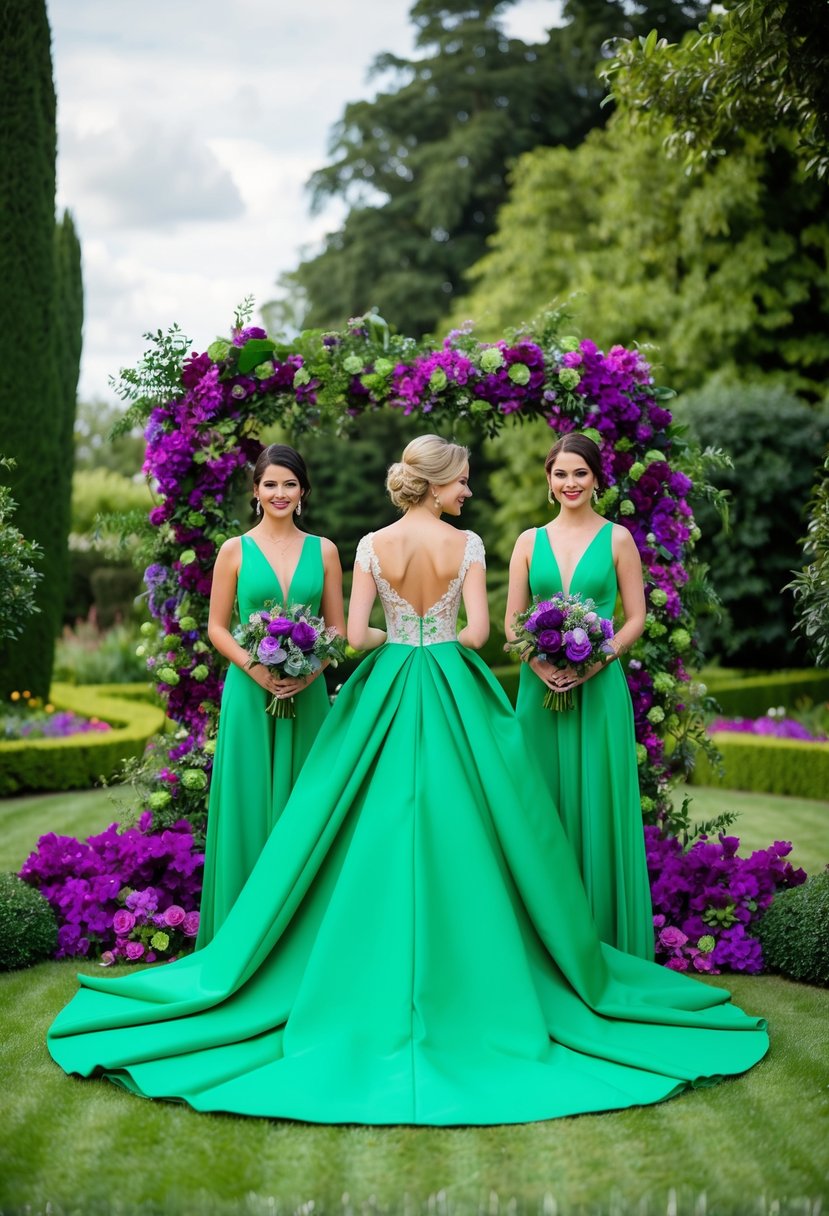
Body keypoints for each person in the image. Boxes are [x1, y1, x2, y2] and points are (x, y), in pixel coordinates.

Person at [47, 435, 766, 1126]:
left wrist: (400, 635)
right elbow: (478, 635)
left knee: (360, 824)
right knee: (480, 824)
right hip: (451, 682)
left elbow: (355, 638)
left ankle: (357, 967)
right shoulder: (472, 544)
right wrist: (436, 634)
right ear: (438, 480)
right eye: (461, 479)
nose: (468, 489)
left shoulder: (368, 546)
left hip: (388, 683)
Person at [506, 432, 653, 959]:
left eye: (580, 474)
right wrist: (539, 663)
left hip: (599, 690)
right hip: (538, 688)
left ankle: (605, 942)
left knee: (598, 803)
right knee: (539, 807)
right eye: (560, 474)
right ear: (548, 480)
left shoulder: (618, 540)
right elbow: (510, 623)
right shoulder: (527, 542)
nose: (570, 483)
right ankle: (544, 946)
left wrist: (595, 660)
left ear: (597, 479)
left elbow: (636, 617)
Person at [196, 443, 344, 947]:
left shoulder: (324, 551)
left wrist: (310, 672)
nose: (279, 493)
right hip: (249, 692)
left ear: (303, 492)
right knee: (251, 802)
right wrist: (256, 668)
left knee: (307, 805)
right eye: (270, 484)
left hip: (308, 695)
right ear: (255, 491)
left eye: (289, 484)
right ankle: (241, 936)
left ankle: (304, 939)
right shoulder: (233, 551)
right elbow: (218, 628)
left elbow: (338, 631)